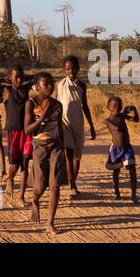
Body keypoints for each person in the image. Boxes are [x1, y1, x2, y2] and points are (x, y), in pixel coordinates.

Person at [24, 71, 64, 233]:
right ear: (37, 86)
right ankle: (35, 200)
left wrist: (64, 147)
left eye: (51, 83)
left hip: (56, 145)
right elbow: (27, 129)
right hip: (39, 145)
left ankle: (50, 222)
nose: (49, 86)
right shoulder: (31, 104)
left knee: (55, 185)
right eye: (45, 84)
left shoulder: (57, 105)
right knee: (39, 186)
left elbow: (60, 127)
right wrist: (41, 119)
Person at [55, 55, 96, 197]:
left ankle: (73, 181)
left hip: (78, 125)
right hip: (64, 124)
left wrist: (91, 125)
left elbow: (85, 106)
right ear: (64, 70)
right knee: (68, 154)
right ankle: (72, 184)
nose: (71, 71)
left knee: (77, 157)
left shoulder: (82, 86)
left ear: (78, 69)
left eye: (73, 68)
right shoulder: (60, 85)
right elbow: (54, 105)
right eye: (68, 69)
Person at [1, 65, 33, 205]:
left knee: (25, 163)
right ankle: (10, 179)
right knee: (14, 165)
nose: (19, 80)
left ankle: (21, 196)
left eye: (21, 77)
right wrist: (6, 80)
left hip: (26, 131)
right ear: (10, 78)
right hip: (13, 131)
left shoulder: (26, 90)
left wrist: (28, 79)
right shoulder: (7, 91)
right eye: (16, 77)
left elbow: (38, 79)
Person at [104, 96, 140, 204]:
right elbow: (117, 128)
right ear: (108, 107)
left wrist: (135, 110)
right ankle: (116, 193)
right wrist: (124, 113)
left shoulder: (122, 116)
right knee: (116, 171)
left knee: (132, 169)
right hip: (116, 149)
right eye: (114, 106)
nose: (116, 108)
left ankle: (133, 195)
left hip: (127, 147)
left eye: (119, 106)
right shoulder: (107, 120)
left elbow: (136, 120)